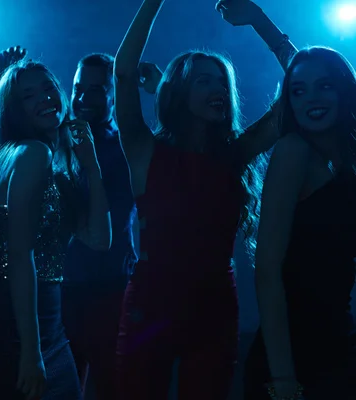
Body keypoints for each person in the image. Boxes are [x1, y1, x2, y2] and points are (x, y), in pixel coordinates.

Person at [113, 0, 296, 398]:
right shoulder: (147, 152)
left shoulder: (235, 154)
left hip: (214, 305)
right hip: (151, 302)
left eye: (220, 82)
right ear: (178, 92)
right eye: (203, 81)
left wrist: (259, 21)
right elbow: (124, 74)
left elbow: (301, 88)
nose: (217, 88)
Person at [0, 48, 138, 400]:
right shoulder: (31, 153)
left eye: (47, 89)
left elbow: (99, 239)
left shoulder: (59, 159)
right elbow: (20, 256)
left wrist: (91, 167)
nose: (44, 98)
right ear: (14, 109)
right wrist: (30, 351)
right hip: (17, 320)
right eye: (28, 95)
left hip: (50, 319)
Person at [244, 46, 356, 400]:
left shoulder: (347, 160)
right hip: (292, 353)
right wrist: (283, 380)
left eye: (324, 86)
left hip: (338, 339)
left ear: (343, 90)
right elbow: (266, 272)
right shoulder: (294, 149)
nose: (311, 98)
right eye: (298, 90)